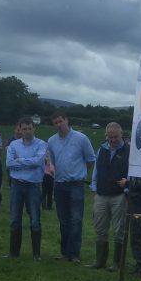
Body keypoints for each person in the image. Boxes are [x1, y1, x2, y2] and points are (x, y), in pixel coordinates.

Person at [46, 112, 95, 263]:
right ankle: (64, 252)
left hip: (76, 185)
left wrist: (80, 172)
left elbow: (90, 159)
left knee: (75, 219)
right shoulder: (51, 141)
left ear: (67, 120)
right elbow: (53, 161)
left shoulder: (81, 138)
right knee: (63, 220)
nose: (59, 125)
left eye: (60, 121)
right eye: (55, 122)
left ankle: (74, 254)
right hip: (59, 184)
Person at [5, 116, 48, 260]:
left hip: (33, 186)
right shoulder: (13, 145)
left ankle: (36, 254)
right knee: (15, 219)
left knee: (35, 220)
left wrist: (20, 160)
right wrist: (26, 162)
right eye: (24, 129)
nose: (27, 131)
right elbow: (9, 164)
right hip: (17, 185)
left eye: (30, 128)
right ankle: (13, 253)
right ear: (20, 130)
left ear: (34, 129)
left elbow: (37, 162)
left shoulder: (42, 144)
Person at [89, 122, 129, 270]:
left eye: (116, 137)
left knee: (119, 229)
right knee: (100, 228)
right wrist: (94, 186)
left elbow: (132, 172)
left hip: (119, 196)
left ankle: (117, 263)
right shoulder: (102, 149)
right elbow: (96, 170)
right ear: (106, 135)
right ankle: (100, 261)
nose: (113, 140)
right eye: (110, 137)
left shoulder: (129, 151)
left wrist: (127, 187)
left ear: (121, 134)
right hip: (101, 194)